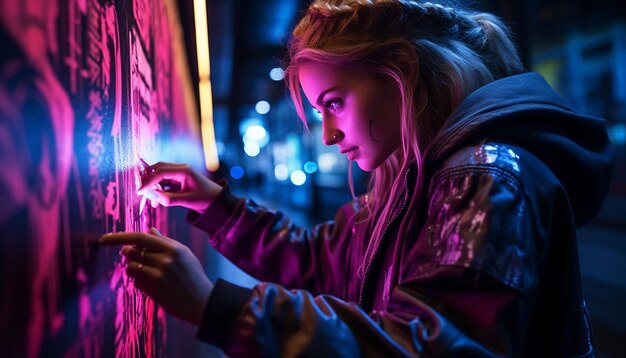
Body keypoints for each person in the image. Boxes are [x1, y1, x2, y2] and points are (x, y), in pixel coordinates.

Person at [99, 0, 615, 356]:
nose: (326, 135)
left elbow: (431, 347)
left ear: (401, 71)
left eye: (333, 104)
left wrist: (220, 308)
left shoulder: (484, 176)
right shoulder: (411, 176)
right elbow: (322, 259)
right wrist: (213, 205)